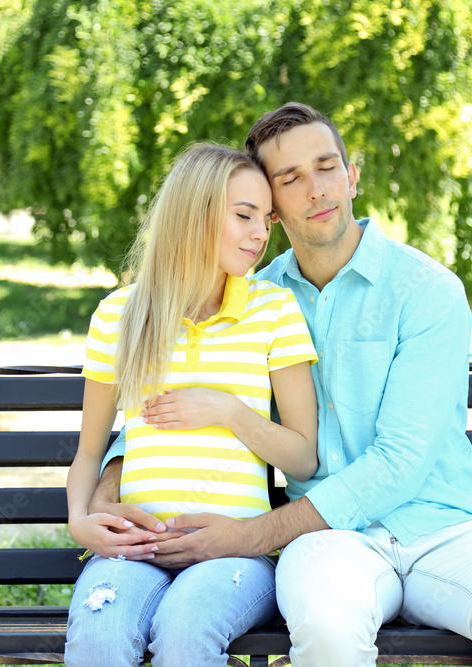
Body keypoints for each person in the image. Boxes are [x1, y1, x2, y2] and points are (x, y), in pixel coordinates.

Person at [86, 103, 472, 666]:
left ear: (352, 176)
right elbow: (179, 394)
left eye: (327, 167)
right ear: (270, 205)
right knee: (327, 627)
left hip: (442, 526)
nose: (317, 189)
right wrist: (110, 480)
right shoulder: (254, 297)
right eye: (291, 178)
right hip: (326, 541)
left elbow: (401, 460)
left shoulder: (427, 290)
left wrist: (249, 536)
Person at [64, 142, 319, 667]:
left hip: (234, 555)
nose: (260, 233)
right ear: (192, 215)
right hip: (136, 550)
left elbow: (302, 458)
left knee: (185, 629)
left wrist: (229, 411)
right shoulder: (118, 315)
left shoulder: (274, 310)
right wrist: (78, 521)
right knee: (98, 636)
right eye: (244, 215)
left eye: (266, 219)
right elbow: (89, 454)